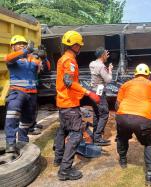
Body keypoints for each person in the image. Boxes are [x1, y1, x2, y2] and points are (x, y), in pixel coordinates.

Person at [54, 30, 100, 181]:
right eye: (79, 45)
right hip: (69, 104)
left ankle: (59, 159)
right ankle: (65, 170)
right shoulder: (69, 60)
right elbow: (69, 82)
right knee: (76, 134)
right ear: (74, 45)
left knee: (62, 131)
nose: (80, 47)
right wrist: (88, 93)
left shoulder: (64, 59)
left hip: (63, 103)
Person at [115, 63, 151, 185]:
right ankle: (149, 175)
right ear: (148, 75)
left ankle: (123, 161)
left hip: (123, 116)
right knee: (150, 143)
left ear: (135, 74)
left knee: (122, 138)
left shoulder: (125, 85)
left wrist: (123, 118)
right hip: (143, 119)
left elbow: (117, 105)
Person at [4, 35, 49, 153]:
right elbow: (8, 59)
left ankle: (23, 140)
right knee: (12, 117)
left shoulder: (32, 59)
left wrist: (44, 58)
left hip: (32, 94)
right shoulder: (12, 58)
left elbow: (45, 68)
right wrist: (26, 50)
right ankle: (10, 143)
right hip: (17, 92)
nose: (22, 45)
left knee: (28, 119)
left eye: (23, 44)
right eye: (19, 43)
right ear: (12, 46)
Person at [89, 47, 113, 146]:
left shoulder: (92, 64)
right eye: (105, 54)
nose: (107, 56)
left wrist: (104, 62)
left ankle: (95, 135)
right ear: (102, 55)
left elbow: (99, 74)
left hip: (93, 90)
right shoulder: (101, 66)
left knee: (96, 113)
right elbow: (108, 80)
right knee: (104, 114)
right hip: (99, 92)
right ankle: (98, 137)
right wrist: (110, 70)